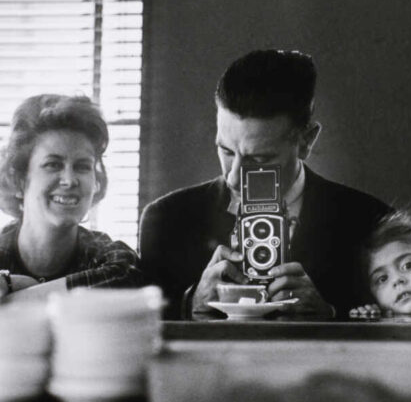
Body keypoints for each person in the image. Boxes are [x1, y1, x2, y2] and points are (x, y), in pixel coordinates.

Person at [138, 49, 391, 319]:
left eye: (259, 158)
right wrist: (190, 305)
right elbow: (140, 335)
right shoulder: (166, 219)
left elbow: (396, 333)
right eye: (226, 150)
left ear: (306, 141)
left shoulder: (370, 222)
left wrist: (330, 316)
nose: (234, 176)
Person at [0, 94, 143, 298]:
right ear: (19, 180)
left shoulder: (107, 256)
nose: (70, 180)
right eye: (53, 165)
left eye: (82, 166)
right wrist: (9, 283)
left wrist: (17, 298)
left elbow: (128, 275)